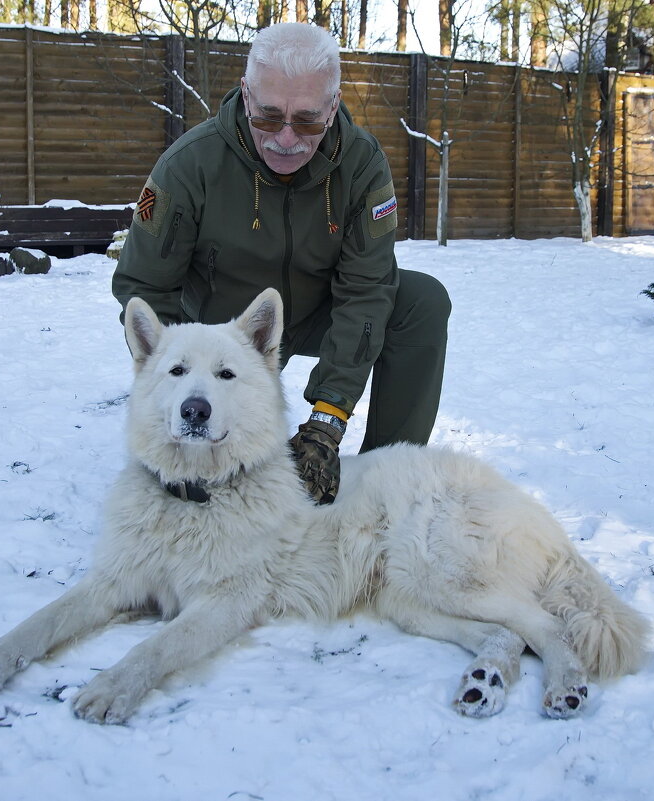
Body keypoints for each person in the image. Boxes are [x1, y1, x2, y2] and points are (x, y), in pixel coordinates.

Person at [113, 22, 451, 505]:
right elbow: (143, 290)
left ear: (333, 106)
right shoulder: (189, 165)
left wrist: (326, 421)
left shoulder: (361, 166)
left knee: (421, 301)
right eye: (269, 118)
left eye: (308, 121)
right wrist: (181, 392)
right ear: (247, 96)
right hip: (220, 331)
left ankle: (387, 479)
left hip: (316, 313)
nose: (287, 139)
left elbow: (366, 291)